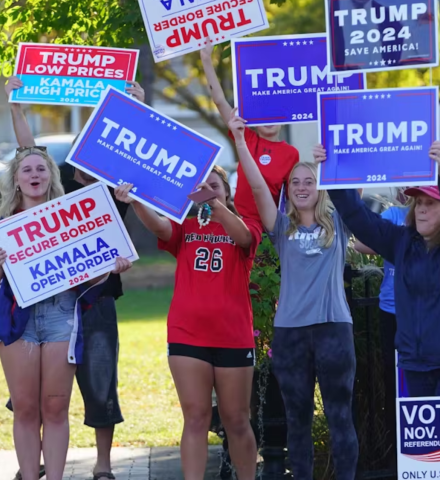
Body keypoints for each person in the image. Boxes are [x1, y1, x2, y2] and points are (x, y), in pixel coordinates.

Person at [1, 76, 145, 480]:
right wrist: (16, 108)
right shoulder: (58, 184)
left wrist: (136, 108)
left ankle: (102, 465)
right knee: (35, 395)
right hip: (49, 302)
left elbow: (148, 152)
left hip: (96, 300)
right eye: (86, 144)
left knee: (99, 383)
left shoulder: (118, 186)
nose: (90, 152)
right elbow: (28, 157)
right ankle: (35, 461)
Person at [0, 145, 132, 480]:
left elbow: (89, 278)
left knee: (56, 407)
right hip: (18, 321)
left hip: (62, 314)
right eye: (27, 170)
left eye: (42, 169)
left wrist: (110, 269)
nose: (35, 175)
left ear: (52, 176)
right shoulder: (0, 227)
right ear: (16, 179)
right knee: (26, 408)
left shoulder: (72, 218)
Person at [229, 111, 358, 480]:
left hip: (334, 330)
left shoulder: (339, 222)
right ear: (289, 187)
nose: (302, 186)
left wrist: (328, 160)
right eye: (296, 181)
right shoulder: (280, 226)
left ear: (320, 186)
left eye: (310, 181)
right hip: (291, 335)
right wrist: (241, 142)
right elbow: (256, 188)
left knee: (339, 418)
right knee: (297, 422)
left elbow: (355, 185)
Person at [115, 165, 261, 480]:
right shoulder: (187, 225)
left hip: (233, 335)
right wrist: (136, 201)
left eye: (215, 186)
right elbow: (159, 228)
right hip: (187, 334)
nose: (209, 190)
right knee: (195, 417)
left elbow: (244, 238)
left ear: (227, 192)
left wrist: (215, 204)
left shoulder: (244, 224)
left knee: (236, 419)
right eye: (202, 187)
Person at [316, 142, 440, 398]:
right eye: (418, 203)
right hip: (415, 364)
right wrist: (333, 174)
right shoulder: (401, 241)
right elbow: (359, 217)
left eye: (431, 203)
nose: (423, 209)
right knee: (422, 439)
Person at [199, 47, 299, 222]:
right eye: (264, 114)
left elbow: (292, 198)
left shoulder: (291, 153)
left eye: (274, 113)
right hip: (240, 222)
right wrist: (206, 59)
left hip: (271, 227)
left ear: (284, 119)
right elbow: (219, 100)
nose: (269, 119)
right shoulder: (245, 138)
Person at [352, 190, 409, 466]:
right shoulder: (393, 215)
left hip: (423, 313)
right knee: (394, 382)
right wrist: (387, 244)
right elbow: (361, 243)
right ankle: (398, 456)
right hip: (392, 310)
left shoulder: (436, 211)